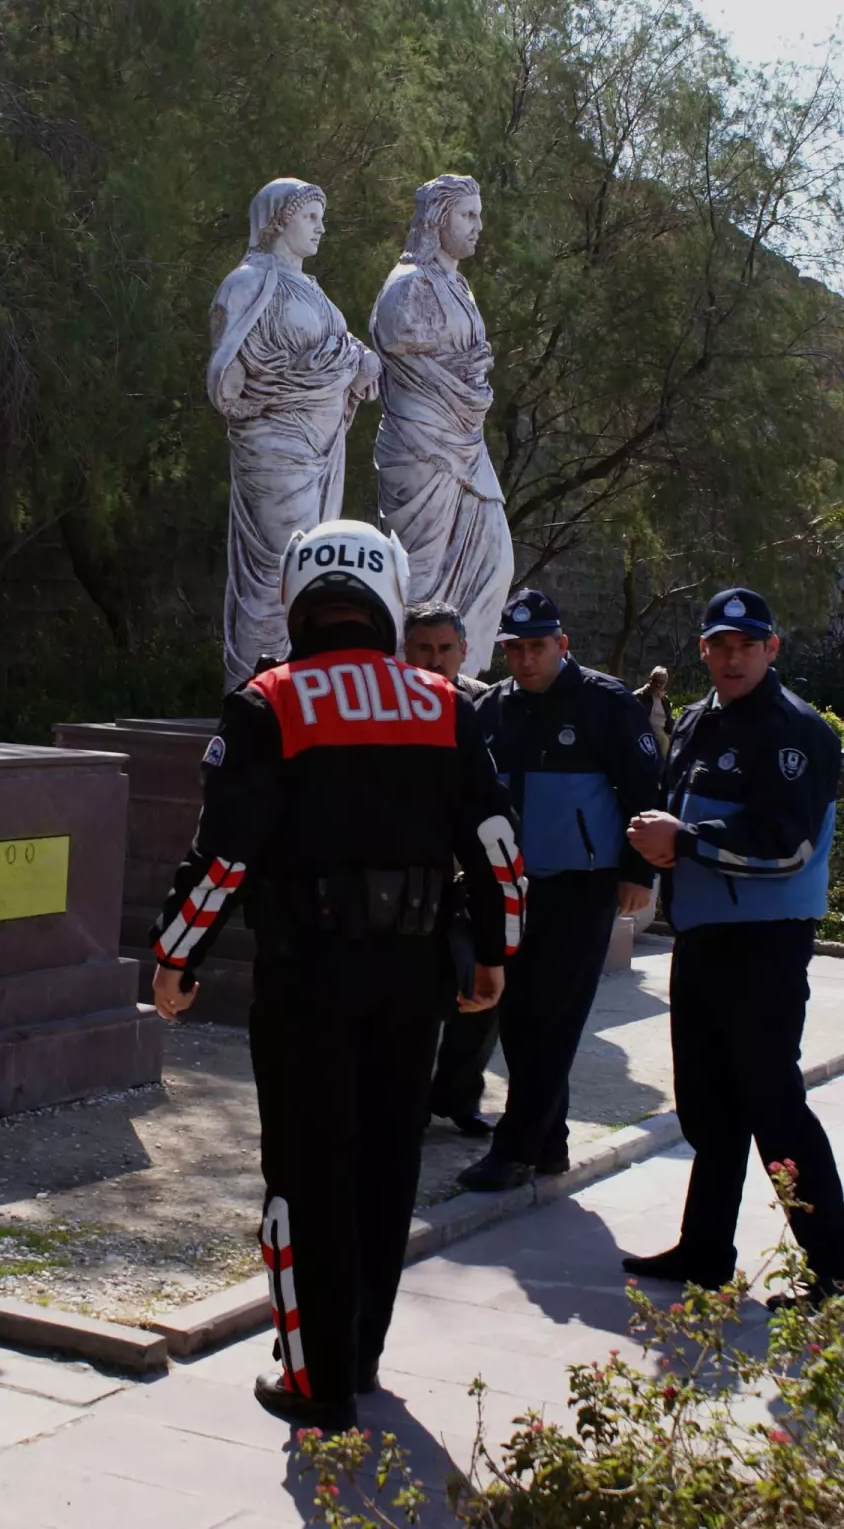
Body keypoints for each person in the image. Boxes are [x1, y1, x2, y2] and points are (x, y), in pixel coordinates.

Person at [150, 520, 526, 1429]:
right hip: (413, 975)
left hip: (307, 975)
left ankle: (311, 1382)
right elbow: (499, 852)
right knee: (389, 1162)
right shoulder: (445, 702)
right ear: (388, 595)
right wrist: (496, 954)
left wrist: (173, 957)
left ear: (296, 592)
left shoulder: (268, 703)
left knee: (307, 1169)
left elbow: (225, 858)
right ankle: (358, 1357)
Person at [624, 587, 844, 1305]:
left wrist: (684, 841)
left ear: (772, 649)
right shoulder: (694, 720)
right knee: (708, 1109)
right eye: (720, 644)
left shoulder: (797, 732)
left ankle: (834, 1268)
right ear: (702, 649)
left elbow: (788, 846)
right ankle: (705, 1251)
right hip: (703, 940)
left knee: (774, 1105)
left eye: (747, 645)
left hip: (765, 946)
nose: (733, 656)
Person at [459, 588, 661, 1192]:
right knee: (521, 1017)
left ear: (561, 644)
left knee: (551, 1016)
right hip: (509, 887)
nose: (525, 659)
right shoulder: (495, 708)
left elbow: (646, 789)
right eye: (515, 648)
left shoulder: (606, 702)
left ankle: (515, 1147)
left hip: (584, 885)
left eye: (537, 647)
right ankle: (550, 1143)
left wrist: (638, 870)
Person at [208, 178, 380, 689]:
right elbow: (226, 379)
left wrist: (360, 360)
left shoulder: (313, 289)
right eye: (310, 216)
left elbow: (346, 350)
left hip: (325, 446)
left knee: (312, 571)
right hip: (275, 443)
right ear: (279, 219)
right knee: (279, 571)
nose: (321, 227)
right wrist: (295, 376)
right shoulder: (245, 283)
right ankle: (250, 695)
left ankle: (297, 690)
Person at [370, 174, 514, 673]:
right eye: (467, 215)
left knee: (495, 563)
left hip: (466, 443)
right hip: (420, 445)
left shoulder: (458, 285)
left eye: (479, 214)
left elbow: (468, 361)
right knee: (420, 580)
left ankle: (458, 684)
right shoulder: (409, 287)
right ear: (438, 219)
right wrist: (467, 373)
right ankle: (400, 686)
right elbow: (403, 350)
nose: (479, 225)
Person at [402, 602, 498, 1138]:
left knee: (479, 990)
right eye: (424, 648)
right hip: (409, 875)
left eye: (445, 649)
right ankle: (409, 1101)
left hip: (470, 876)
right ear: (405, 650)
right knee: (415, 996)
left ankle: (460, 1094)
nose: (435, 660)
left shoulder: (486, 707)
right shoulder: (385, 706)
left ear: (464, 651)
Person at [633, 666, 675, 757]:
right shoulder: (639, 696)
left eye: (662, 683)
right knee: (664, 741)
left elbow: (669, 721)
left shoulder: (665, 700)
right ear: (650, 679)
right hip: (645, 732)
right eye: (655, 681)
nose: (658, 685)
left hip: (662, 732)